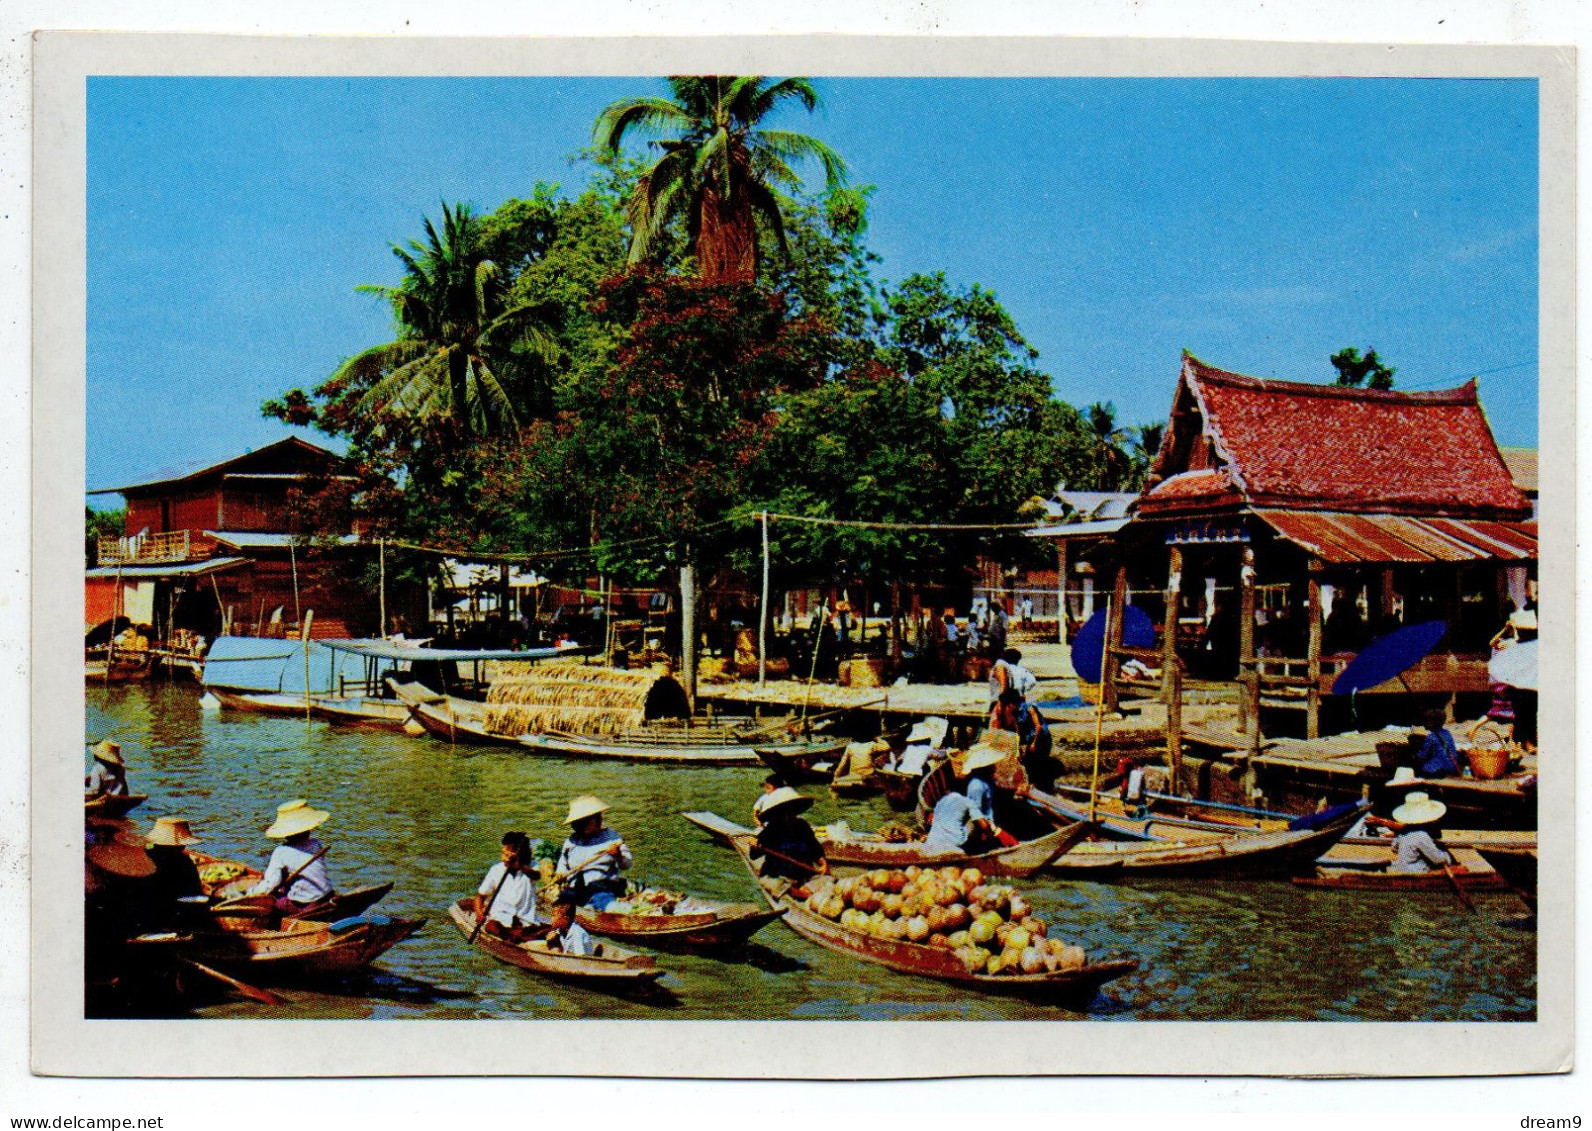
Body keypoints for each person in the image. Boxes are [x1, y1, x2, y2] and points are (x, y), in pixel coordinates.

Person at [249, 800, 335, 913]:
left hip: (306, 904)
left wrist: (251, 894)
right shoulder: (317, 844)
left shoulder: (281, 852)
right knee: (284, 887)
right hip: (327, 895)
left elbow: (270, 884)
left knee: (271, 902)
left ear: (286, 834)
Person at [555, 795, 632, 910]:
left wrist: (618, 856)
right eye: (596, 817)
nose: (601, 819)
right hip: (575, 891)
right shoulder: (571, 842)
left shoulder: (610, 837)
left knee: (608, 906)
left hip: (601, 888)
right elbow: (562, 866)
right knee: (560, 905)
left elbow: (627, 864)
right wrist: (559, 876)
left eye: (599, 816)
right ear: (583, 821)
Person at [474, 831, 542, 941]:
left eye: (508, 855)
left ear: (519, 856)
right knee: (494, 927)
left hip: (526, 921)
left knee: (542, 931)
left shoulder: (531, 867)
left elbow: (536, 876)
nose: (504, 858)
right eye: (503, 853)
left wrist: (518, 865)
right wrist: (479, 913)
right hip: (501, 920)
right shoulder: (496, 870)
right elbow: (479, 897)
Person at [1365, 792, 1456, 875]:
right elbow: (1437, 860)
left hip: (1401, 870)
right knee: (1459, 869)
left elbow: (1394, 848)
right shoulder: (1421, 835)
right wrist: (1448, 857)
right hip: (1416, 873)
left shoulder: (1404, 831)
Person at [751, 787, 827, 883]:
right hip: (778, 875)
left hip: (803, 873)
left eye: (791, 810)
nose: (788, 815)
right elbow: (754, 854)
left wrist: (823, 863)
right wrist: (754, 847)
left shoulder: (802, 825)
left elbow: (815, 848)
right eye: (784, 812)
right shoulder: (772, 829)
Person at [142, 817, 206, 929]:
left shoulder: (185, 863)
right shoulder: (184, 862)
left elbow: (195, 892)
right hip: (158, 914)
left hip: (171, 911)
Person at [543, 889, 600, 956]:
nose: (551, 919)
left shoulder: (576, 933)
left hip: (583, 963)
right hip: (572, 958)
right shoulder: (561, 929)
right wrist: (553, 936)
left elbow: (581, 957)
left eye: (554, 915)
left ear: (566, 918)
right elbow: (556, 935)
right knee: (552, 945)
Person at [1413, 709, 1464, 779]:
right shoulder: (1447, 733)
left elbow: (1422, 755)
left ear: (1431, 722)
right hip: (1451, 767)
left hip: (1437, 769)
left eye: (1427, 721)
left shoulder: (1431, 737)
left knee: (1420, 768)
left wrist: (1415, 754)